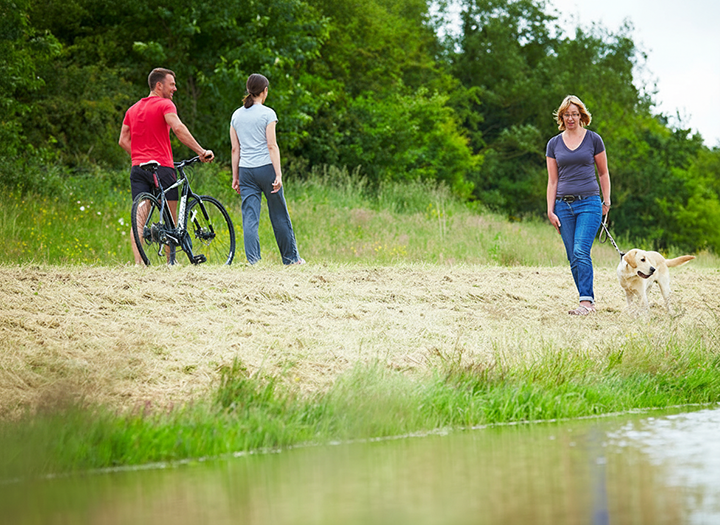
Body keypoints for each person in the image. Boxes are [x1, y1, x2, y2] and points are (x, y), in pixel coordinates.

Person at [119, 67, 214, 265]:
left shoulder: (132, 109)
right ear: (159, 85)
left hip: (139, 168)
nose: (175, 88)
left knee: (139, 215)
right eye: (172, 84)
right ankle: (172, 262)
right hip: (162, 167)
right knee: (171, 216)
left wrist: (139, 155)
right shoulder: (165, 105)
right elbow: (178, 128)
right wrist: (200, 151)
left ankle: (139, 264)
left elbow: (123, 140)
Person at [546, 95, 611, 315]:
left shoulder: (594, 139)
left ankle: (586, 302)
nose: (571, 118)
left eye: (575, 114)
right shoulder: (553, 144)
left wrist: (606, 200)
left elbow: (603, 173)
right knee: (572, 256)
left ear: (582, 115)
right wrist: (550, 210)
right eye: (567, 114)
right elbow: (552, 180)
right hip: (563, 206)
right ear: (562, 117)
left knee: (581, 250)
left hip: (590, 203)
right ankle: (586, 299)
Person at [229, 73, 304, 265]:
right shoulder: (268, 114)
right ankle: (291, 259)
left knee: (250, 218)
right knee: (279, 214)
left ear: (248, 90)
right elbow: (272, 145)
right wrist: (278, 174)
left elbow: (235, 149)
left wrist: (235, 177)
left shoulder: (236, 115)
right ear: (265, 91)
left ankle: (253, 261)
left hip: (246, 171)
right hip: (266, 169)